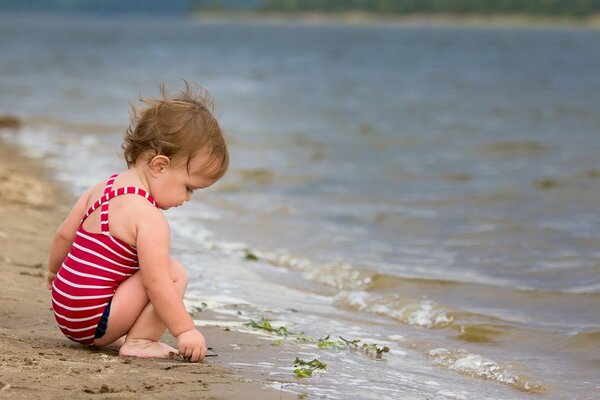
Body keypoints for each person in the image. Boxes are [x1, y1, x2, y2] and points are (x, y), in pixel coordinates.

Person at [45, 82, 228, 362]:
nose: (188, 199)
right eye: (189, 188)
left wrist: (53, 274)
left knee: (142, 270)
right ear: (159, 166)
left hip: (64, 310)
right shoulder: (149, 217)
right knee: (173, 272)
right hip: (93, 323)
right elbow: (156, 284)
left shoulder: (103, 187)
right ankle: (141, 340)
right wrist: (185, 331)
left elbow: (63, 237)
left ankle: (120, 331)